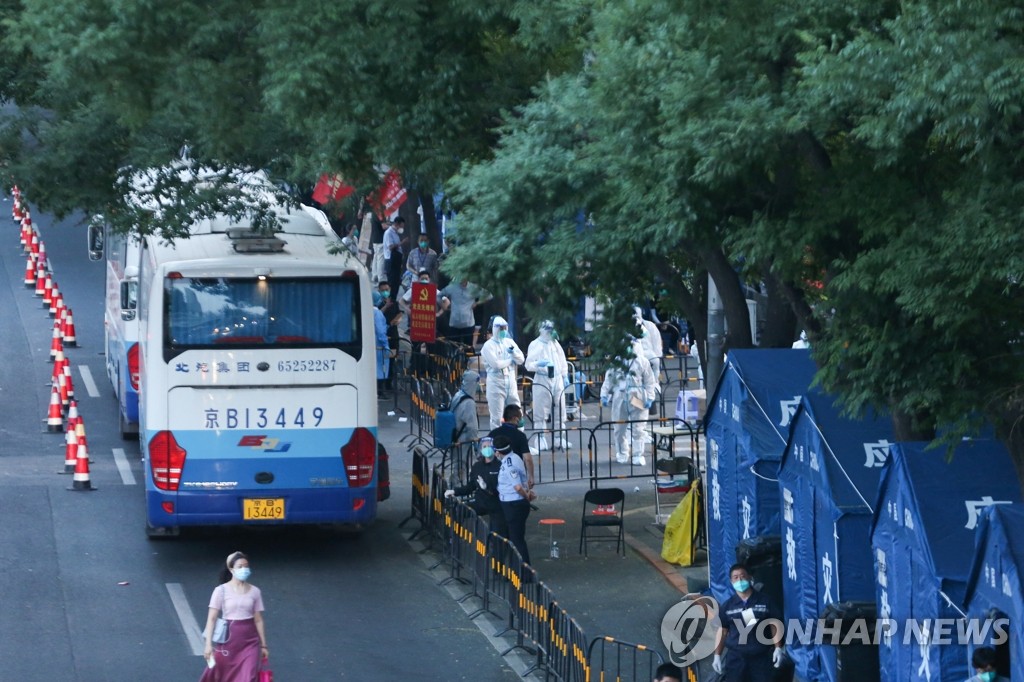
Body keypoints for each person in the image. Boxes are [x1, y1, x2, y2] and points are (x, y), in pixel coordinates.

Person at [201, 551, 268, 680]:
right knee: (224, 675)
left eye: (246, 566)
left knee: (248, 676)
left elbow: (258, 620)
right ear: (231, 570)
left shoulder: (255, 591)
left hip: (250, 642)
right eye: (240, 566)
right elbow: (212, 619)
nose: (244, 569)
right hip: (228, 642)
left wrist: (263, 645)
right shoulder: (220, 591)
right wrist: (208, 645)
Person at [712, 564, 784, 682]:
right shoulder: (728, 606)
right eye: (735, 577)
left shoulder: (765, 601)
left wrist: (778, 648)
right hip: (736, 660)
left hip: (761, 658)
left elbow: (774, 625)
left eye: (742, 576)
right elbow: (722, 630)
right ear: (731, 581)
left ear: (750, 578)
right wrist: (717, 655)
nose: (739, 580)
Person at [600, 338, 657, 465]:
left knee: (639, 428)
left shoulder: (642, 361)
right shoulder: (616, 362)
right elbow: (609, 379)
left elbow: (649, 381)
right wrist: (604, 395)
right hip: (620, 396)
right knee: (619, 428)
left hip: (637, 396)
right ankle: (622, 453)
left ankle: (638, 454)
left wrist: (650, 398)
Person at [444, 436, 508, 537]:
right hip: (481, 502)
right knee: (458, 511)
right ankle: (454, 539)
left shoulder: (501, 466)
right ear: (481, 449)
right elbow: (471, 486)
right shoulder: (477, 466)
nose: (487, 448)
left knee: (498, 534)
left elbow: (504, 489)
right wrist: (455, 491)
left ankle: (496, 549)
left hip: (497, 504)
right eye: (484, 446)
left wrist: (487, 488)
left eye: (489, 446)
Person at [524, 320, 569, 451]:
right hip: (542, 379)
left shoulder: (555, 344)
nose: (551, 332)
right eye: (549, 329)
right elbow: (528, 365)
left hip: (557, 379)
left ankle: (559, 438)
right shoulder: (535, 344)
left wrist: (565, 375)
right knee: (540, 411)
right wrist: (539, 364)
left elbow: (562, 360)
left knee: (560, 409)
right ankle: (540, 438)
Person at [496, 435, 536, 565]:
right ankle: (517, 569)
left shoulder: (508, 464)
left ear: (498, 452)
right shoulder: (516, 457)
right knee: (516, 538)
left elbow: (518, 487)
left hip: (513, 504)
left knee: (516, 540)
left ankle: (523, 573)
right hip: (515, 504)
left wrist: (527, 496)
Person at [481, 315, 524, 429]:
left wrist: (513, 353)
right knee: (497, 416)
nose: (503, 331)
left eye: (505, 328)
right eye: (501, 328)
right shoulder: (488, 346)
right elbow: (496, 364)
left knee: (516, 412)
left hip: (510, 381)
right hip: (496, 383)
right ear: (495, 329)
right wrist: (510, 360)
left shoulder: (509, 342)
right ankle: (498, 443)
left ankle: (519, 440)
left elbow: (521, 359)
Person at [488, 404, 535, 489]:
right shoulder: (520, 435)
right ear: (515, 418)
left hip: (496, 472)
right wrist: (531, 476)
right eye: (520, 417)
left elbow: (487, 453)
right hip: (515, 474)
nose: (521, 420)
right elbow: (528, 459)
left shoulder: (493, 433)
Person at [439, 278, 492, 347]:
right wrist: (443, 304)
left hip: (468, 324)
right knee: (454, 348)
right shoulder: (452, 287)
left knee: (467, 349)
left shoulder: (473, 288)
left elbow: (489, 295)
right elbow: (439, 295)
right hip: (454, 323)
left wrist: (477, 303)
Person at [634, 306, 663, 390]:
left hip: (649, 352)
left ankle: (655, 383)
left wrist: (658, 355)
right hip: (636, 354)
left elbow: (656, 341)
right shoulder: (627, 327)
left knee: (656, 362)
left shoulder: (650, 325)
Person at [450, 370, 481, 443]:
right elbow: (472, 428)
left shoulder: (458, 395)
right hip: (464, 441)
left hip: (455, 437)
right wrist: (475, 444)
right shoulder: (469, 403)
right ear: (473, 384)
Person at [382, 217, 407, 294]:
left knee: (396, 283)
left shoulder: (395, 233)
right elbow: (391, 247)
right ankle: (390, 300)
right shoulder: (389, 233)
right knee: (392, 283)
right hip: (391, 260)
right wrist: (402, 242)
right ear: (396, 224)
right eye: (401, 226)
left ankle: (393, 300)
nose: (402, 228)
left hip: (396, 260)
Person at [374, 303, 390, 399]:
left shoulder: (367, 311)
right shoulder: (377, 313)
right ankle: (381, 391)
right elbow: (380, 331)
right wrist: (385, 344)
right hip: (380, 345)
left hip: (372, 343)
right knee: (382, 368)